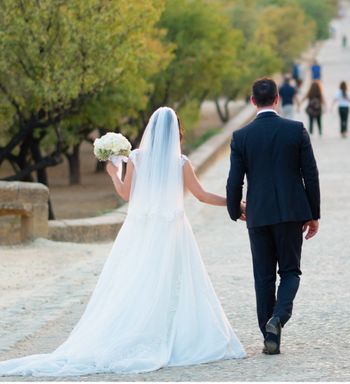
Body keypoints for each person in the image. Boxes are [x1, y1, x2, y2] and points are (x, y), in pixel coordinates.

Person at [0, 108, 245, 377]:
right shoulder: (181, 163)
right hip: (172, 232)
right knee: (174, 282)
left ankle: (136, 329)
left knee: (135, 281)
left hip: (139, 231)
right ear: (177, 131)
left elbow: (127, 194)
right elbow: (201, 195)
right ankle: (171, 333)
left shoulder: (137, 158)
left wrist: (113, 172)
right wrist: (234, 204)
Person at [226, 78, 320, 355]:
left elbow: (235, 181)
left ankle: (269, 333)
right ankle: (277, 319)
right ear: (277, 99)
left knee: (263, 277)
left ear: (252, 101)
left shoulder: (241, 137)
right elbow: (311, 176)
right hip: (292, 214)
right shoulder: (296, 130)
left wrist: (235, 210)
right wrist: (313, 214)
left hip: (258, 214)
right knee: (290, 271)